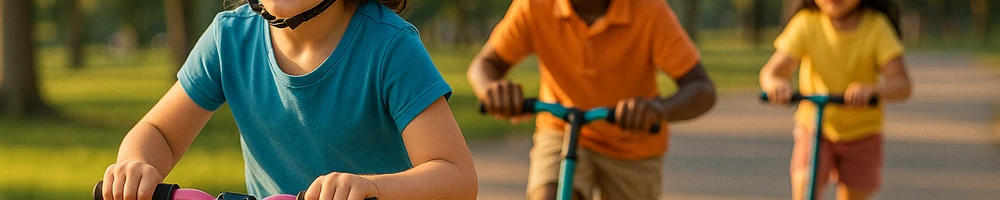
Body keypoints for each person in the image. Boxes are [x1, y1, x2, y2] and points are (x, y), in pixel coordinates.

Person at [99, 0, 478, 200]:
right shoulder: (229, 38)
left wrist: (372, 188)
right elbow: (159, 132)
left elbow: (456, 177)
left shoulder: (390, 47)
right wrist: (136, 165)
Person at [467, 0, 716, 199]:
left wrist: (659, 109)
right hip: (562, 130)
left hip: (632, 143)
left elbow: (701, 88)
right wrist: (492, 89)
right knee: (550, 194)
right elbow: (484, 65)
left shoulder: (648, 9)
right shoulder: (535, 5)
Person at [759, 0, 912, 199]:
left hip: (863, 133)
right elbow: (772, 72)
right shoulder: (806, 23)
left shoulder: (876, 26)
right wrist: (776, 85)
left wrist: (873, 90)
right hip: (815, 128)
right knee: (805, 186)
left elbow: (902, 84)